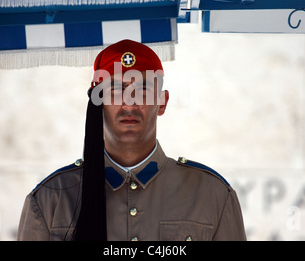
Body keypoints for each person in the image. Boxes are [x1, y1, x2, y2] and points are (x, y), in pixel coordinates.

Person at [17, 39, 246, 241]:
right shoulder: (51, 200)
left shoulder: (211, 195)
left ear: (162, 101)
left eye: (143, 88)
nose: (129, 103)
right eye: (117, 90)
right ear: (98, 103)